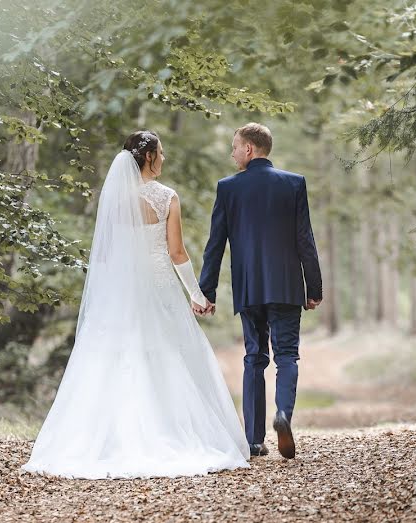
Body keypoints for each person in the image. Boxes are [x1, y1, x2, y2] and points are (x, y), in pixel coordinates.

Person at [21, 131, 249, 479]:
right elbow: (176, 253)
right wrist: (196, 294)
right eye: (161, 152)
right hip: (159, 290)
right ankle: (169, 433)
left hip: (119, 295)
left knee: (112, 360)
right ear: (148, 158)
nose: (164, 158)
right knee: (167, 357)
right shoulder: (166, 198)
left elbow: (106, 254)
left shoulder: (114, 199)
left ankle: (108, 438)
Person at [199, 123, 322, 460]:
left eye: (235, 146)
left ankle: (254, 440)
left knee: (254, 358)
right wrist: (314, 287)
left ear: (249, 149)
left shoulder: (228, 188)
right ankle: (283, 414)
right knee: (287, 356)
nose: (232, 153)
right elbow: (305, 240)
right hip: (286, 286)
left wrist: (205, 291)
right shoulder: (293, 184)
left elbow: (215, 245)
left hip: (249, 287)